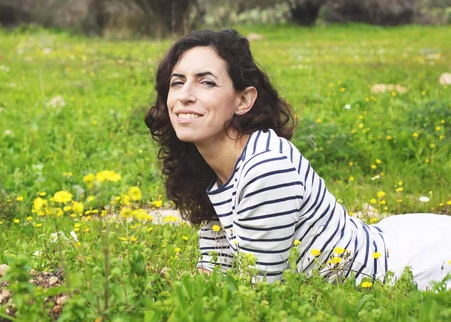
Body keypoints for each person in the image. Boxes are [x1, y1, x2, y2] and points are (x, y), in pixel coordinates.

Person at [144, 29, 451, 290]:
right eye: (177, 81)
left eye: (206, 82)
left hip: (414, 266)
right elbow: (216, 265)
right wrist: (172, 287)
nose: (185, 94)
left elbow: (259, 290)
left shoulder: (265, 168)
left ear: (243, 100)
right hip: (390, 239)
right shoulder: (212, 166)